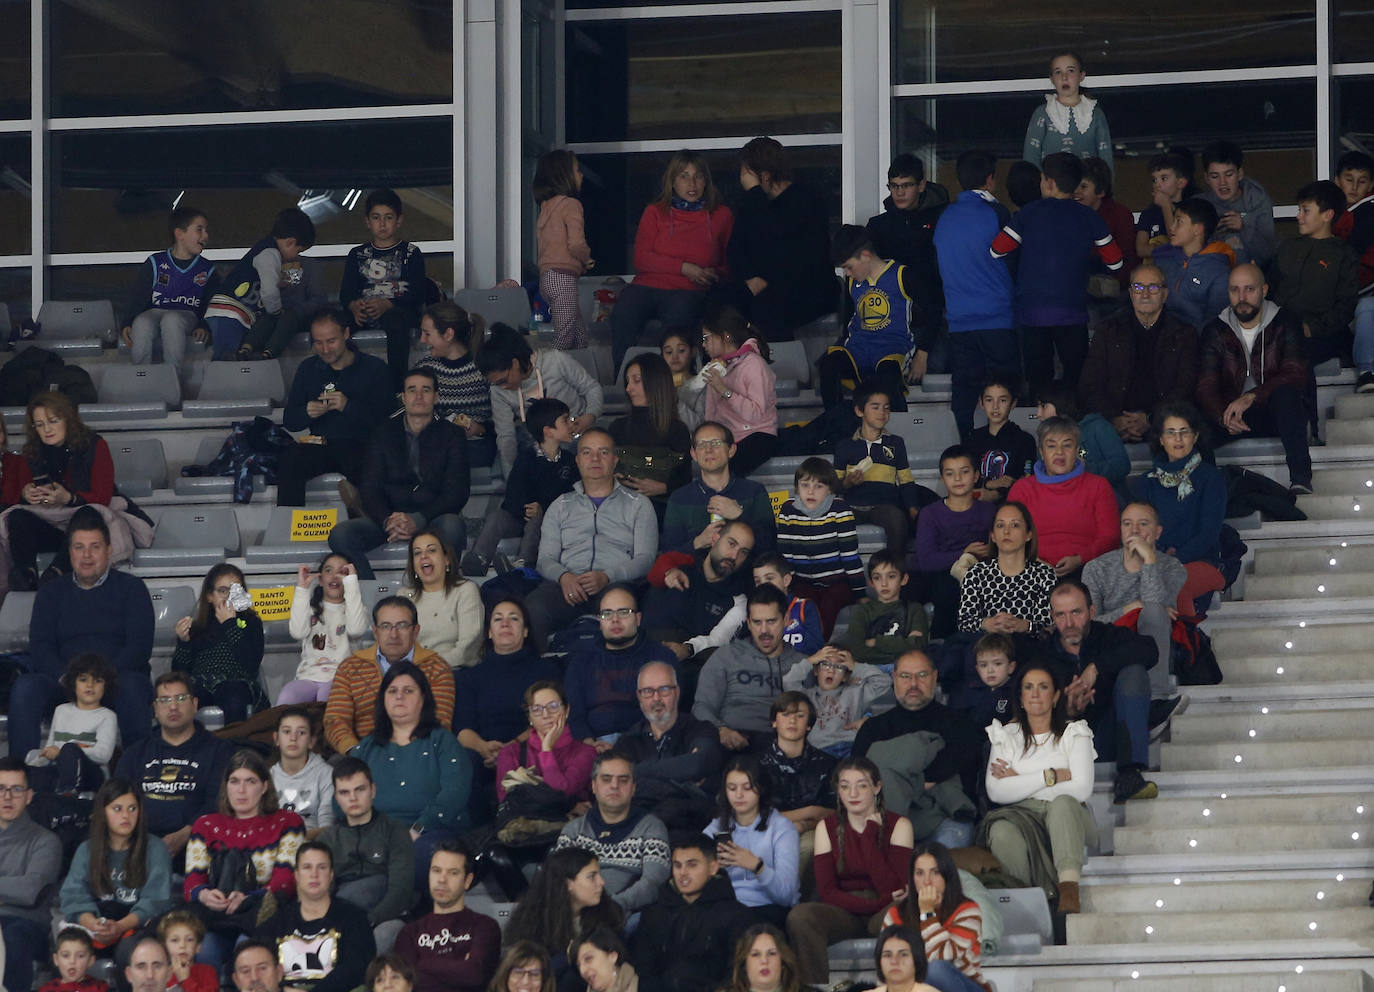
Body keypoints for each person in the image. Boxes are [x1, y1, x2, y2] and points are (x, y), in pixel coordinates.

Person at [13, 509, 154, 760]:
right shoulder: (50, 594)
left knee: (134, 687)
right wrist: (69, 679)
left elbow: (139, 647)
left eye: (95, 547)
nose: (86, 556)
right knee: (26, 687)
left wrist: (100, 679)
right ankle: (19, 779)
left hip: (116, 680)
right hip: (65, 682)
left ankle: (136, 775)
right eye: (79, 547)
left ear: (109, 550)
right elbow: (41, 646)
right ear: (70, 552)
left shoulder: (132, 589)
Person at [990, 152, 1124, 391]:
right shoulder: (1089, 216)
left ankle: (1040, 422)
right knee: (1077, 380)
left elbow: (996, 251)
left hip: (1032, 314)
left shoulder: (1028, 214)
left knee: (1038, 381)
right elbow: (1115, 263)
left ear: (1049, 182)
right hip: (1073, 313)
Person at [329, 368, 470, 581]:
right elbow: (370, 486)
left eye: (426, 390)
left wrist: (418, 519)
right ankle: (370, 591)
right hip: (390, 518)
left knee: (453, 526)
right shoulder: (383, 432)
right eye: (412, 390)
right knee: (341, 535)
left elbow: (457, 493)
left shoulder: (453, 435)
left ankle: (443, 592)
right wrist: (388, 520)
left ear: (436, 396)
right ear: (403, 397)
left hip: (433, 517)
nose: (419, 396)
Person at [785, 757, 914, 987]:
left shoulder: (900, 825)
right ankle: (815, 989)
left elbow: (893, 888)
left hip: (885, 907)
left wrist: (868, 838)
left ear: (877, 787)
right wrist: (873, 904)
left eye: (862, 785)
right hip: (844, 909)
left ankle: (896, 988)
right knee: (800, 916)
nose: (852, 793)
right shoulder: (828, 827)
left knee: (900, 912)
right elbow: (827, 891)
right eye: (845, 786)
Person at [978, 664, 1096, 914]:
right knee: (1001, 829)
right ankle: (1025, 903)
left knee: (1063, 803)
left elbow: (1081, 789)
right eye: (1028, 688)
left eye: (1043, 687)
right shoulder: (1006, 735)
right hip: (1022, 817)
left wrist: (1019, 779)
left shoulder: (1075, 733)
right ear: (1020, 697)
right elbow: (997, 792)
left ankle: (1068, 889)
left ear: (1055, 696)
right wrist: (1051, 776)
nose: (1035, 694)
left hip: (1072, 818)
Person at [526, 430, 659, 648]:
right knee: (534, 607)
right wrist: (564, 577)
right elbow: (545, 559)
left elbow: (645, 559)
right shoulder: (560, 505)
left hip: (616, 583)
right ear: (578, 461)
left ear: (615, 460)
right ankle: (539, 676)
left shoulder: (638, 504)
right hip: (566, 585)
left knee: (624, 606)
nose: (595, 459)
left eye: (603, 452)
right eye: (587, 453)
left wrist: (607, 576)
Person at [1033, 581, 1157, 804]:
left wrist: (1096, 668)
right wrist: (1067, 710)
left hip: (1108, 735)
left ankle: (1130, 774)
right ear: (1051, 616)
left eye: (1076, 612)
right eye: (1060, 615)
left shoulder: (1108, 636)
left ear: (1092, 611)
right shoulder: (1042, 655)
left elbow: (1149, 650)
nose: (1069, 623)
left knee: (1134, 672)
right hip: (1064, 748)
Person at [1195, 263, 1313, 494]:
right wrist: (1222, 416)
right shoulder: (1215, 329)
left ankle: (1300, 478)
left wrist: (1252, 396)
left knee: (1286, 395)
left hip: (1275, 413)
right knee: (1191, 422)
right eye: (1234, 290)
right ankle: (1212, 493)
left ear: (1264, 290)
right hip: (1232, 416)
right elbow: (1205, 384)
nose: (1241, 297)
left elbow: (1294, 372)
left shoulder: (1285, 321)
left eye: (1249, 289)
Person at [610, 150, 734, 367]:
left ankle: (673, 382)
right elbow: (642, 258)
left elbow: (730, 263)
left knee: (679, 318)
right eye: (683, 176)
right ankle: (627, 379)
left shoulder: (721, 215)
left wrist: (714, 273)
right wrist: (684, 267)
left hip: (688, 290)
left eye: (698, 176)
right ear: (672, 182)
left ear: (706, 181)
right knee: (623, 313)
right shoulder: (655, 212)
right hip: (647, 286)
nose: (691, 183)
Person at [183, 750, 306, 966]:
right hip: (217, 917)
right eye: (234, 781)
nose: (241, 790)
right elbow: (192, 882)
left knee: (247, 949)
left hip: (264, 914)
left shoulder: (288, 823)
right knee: (205, 950)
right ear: (225, 785)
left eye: (250, 781)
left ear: (265, 786)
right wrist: (204, 895)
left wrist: (250, 898)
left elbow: (286, 882)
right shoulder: (205, 825)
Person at [354, 663, 472, 878]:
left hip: (429, 835)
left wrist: (418, 829)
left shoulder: (442, 741)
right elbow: (341, 793)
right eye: (392, 691)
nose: (399, 696)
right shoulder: (367, 747)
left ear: (423, 699)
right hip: (374, 834)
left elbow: (455, 794)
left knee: (416, 856)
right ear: (383, 699)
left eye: (408, 691)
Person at [850, 653, 980, 848]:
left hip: (944, 818)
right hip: (885, 818)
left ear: (934, 677)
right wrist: (923, 779)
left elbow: (957, 769)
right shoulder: (873, 729)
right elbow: (859, 777)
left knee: (950, 845)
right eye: (905, 676)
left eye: (921, 675)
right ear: (894, 678)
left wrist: (895, 773)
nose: (913, 683)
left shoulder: (960, 724)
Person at [933, 150, 1019, 439]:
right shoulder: (997, 213)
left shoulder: (945, 217)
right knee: (1007, 392)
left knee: (965, 393)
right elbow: (1013, 258)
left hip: (959, 322)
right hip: (997, 318)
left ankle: (967, 451)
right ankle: (1006, 453)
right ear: (991, 180)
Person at [2, 393, 126, 591]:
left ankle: (57, 572)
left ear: (67, 419)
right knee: (17, 516)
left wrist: (69, 498)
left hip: (85, 527)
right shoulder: (32, 451)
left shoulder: (94, 444)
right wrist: (27, 494)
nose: (47, 429)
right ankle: (25, 573)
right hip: (52, 523)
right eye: (40, 425)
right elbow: (22, 494)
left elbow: (103, 496)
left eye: (52, 421)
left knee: (88, 513)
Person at [278, 308, 396, 507]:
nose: (325, 349)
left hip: (362, 444)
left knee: (371, 467)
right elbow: (290, 420)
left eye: (331, 341)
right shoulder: (308, 368)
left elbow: (387, 421)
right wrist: (306, 412)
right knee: (291, 460)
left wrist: (348, 406)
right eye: (318, 343)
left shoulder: (374, 368)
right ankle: (290, 524)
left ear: (346, 334)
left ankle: (370, 522)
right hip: (322, 444)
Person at [723, 136, 838, 340]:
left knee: (767, 308)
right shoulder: (751, 203)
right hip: (758, 283)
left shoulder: (806, 200)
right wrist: (750, 277)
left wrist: (756, 195)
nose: (742, 179)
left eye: (746, 172)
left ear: (765, 176)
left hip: (805, 287)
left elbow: (783, 248)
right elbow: (735, 248)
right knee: (717, 303)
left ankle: (775, 368)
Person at [1082, 503, 1189, 717]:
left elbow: (1155, 607)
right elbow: (1089, 624)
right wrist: (1130, 608)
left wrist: (1149, 560)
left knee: (1154, 612)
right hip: (1110, 642)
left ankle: (1156, 700)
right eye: (1127, 524)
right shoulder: (1096, 568)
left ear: (1157, 532)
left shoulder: (1172, 567)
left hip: (1152, 642)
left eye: (1143, 524)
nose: (1134, 531)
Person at [115, 672, 233, 858]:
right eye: (164, 700)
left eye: (180, 698)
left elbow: (217, 803)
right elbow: (117, 800)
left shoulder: (219, 751)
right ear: (155, 708)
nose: (173, 706)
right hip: (139, 844)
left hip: (197, 843)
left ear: (194, 705)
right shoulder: (135, 753)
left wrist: (186, 834)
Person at [1078, 263, 1200, 442]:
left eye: (1153, 287)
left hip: (1166, 426)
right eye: (1138, 287)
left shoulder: (1184, 333)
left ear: (1165, 294)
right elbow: (1090, 384)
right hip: (1113, 425)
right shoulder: (1108, 330)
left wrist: (1152, 419)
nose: (1145, 294)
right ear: (1130, 293)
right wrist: (1115, 420)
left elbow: (1186, 386)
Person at [324, 596, 456, 755]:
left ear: (415, 631)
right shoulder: (350, 668)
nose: (394, 634)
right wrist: (357, 752)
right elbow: (335, 720)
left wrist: (407, 755)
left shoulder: (437, 667)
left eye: (402, 625)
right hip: (362, 756)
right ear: (375, 632)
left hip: (419, 756)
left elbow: (439, 722)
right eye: (385, 626)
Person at [60, 778, 173, 963]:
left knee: (131, 951)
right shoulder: (87, 849)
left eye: (132, 808)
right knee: (67, 951)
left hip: (137, 927)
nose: (126, 816)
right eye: (117, 808)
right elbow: (74, 895)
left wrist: (119, 927)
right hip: (95, 924)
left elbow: (156, 901)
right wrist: (93, 924)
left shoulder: (155, 848)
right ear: (103, 812)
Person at [1130, 402, 1229, 612]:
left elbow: (1208, 534)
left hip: (1199, 560)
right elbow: (1138, 531)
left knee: (1173, 586)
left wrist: (1174, 559)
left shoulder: (1209, 478)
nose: (1178, 439)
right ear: (1160, 438)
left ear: (1195, 437)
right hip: (1155, 560)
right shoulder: (1146, 482)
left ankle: (1185, 643)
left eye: (1184, 432)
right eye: (1171, 432)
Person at [462, 398, 577, 576]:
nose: (572, 424)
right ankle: (478, 558)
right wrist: (526, 508)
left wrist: (542, 508)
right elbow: (513, 495)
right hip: (520, 516)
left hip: (551, 520)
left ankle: (523, 565)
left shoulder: (569, 461)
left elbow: (569, 496)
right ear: (548, 431)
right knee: (497, 517)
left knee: (536, 520)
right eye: (565, 420)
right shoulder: (526, 457)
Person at [552, 752, 671, 913]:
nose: (614, 786)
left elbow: (653, 883)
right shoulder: (573, 830)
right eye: (606, 779)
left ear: (634, 787)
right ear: (593, 786)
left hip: (628, 915)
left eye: (623, 780)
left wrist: (611, 908)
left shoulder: (652, 828)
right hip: (576, 914)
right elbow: (556, 880)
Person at [317, 757, 415, 953]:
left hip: (385, 915)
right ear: (336, 797)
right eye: (344, 792)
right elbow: (321, 892)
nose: (352, 798)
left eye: (359, 789)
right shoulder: (327, 839)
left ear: (373, 790)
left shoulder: (395, 831)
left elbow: (401, 891)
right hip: (340, 915)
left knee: (385, 935)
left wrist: (367, 921)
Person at [630, 835, 751, 992]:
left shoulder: (737, 916)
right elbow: (644, 970)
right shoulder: (654, 914)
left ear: (713, 868)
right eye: (677, 865)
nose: (683, 873)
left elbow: (735, 975)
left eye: (692, 865)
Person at [822, 226, 924, 412]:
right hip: (858, 347)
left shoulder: (902, 275)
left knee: (887, 378)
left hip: (892, 347)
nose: (847, 274)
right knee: (828, 367)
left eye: (848, 267)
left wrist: (923, 354)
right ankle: (835, 425)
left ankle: (896, 433)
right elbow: (848, 320)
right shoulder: (852, 283)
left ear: (866, 256)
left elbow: (932, 312)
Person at [452, 599, 558, 778]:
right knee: (462, 763)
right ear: (489, 633)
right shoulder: (470, 677)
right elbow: (463, 730)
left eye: (514, 618)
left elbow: (550, 722)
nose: (505, 623)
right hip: (482, 753)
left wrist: (510, 749)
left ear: (525, 631)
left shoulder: (546, 670)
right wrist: (483, 748)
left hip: (529, 748)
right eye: (498, 619)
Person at [693, 584, 804, 752]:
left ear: (786, 619)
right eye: (757, 622)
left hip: (778, 746)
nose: (764, 630)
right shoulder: (726, 656)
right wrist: (721, 731)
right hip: (725, 742)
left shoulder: (801, 664)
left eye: (771, 621)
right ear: (748, 623)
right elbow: (701, 707)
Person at [479, 324, 602, 475]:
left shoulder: (555, 361)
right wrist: (512, 479)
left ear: (515, 363)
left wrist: (590, 416)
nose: (502, 387)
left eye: (503, 380)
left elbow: (592, 388)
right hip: (538, 442)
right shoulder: (498, 391)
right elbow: (506, 438)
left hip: (575, 432)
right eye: (496, 383)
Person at [615, 660, 724, 830]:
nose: (656, 698)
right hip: (639, 830)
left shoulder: (702, 730)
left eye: (664, 689)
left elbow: (697, 765)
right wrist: (684, 784)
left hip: (690, 828)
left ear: (677, 692)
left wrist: (639, 771)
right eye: (648, 692)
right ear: (639, 697)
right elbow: (619, 786)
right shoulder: (627, 741)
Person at [564, 586, 678, 744]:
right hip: (596, 745)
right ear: (600, 621)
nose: (615, 619)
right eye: (607, 613)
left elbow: (670, 711)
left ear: (638, 619)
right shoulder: (581, 661)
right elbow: (575, 715)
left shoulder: (662, 658)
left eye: (624, 612)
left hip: (647, 743)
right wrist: (589, 745)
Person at [255, 842, 375, 992]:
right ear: (296, 875)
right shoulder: (277, 923)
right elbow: (257, 967)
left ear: (331, 875)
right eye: (307, 867)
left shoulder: (354, 918)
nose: (314, 874)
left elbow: (356, 969)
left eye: (322, 867)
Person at [1007, 417, 1119, 576]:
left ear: (1076, 450)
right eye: (1051, 446)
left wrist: (1080, 559)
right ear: (1041, 451)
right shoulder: (1023, 489)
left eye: (1067, 445)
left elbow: (1110, 537)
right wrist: (1034, 562)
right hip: (1032, 570)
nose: (1059, 452)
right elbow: (1010, 535)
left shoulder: (1098, 486)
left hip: (1088, 569)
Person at [202, 207, 315, 359]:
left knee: (231, 353)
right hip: (230, 311)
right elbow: (269, 291)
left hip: (233, 312)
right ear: (290, 242)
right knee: (225, 357)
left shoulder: (266, 250)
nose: (296, 256)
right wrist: (276, 312)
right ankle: (222, 381)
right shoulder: (269, 253)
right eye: (298, 251)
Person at [341, 189, 426, 388]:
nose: (382, 224)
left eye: (388, 218)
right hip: (365, 311)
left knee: (397, 322)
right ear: (367, 221)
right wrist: (354, 306)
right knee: (336, 325)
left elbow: (418, 292)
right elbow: (346, 292)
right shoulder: (357, 254)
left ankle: (397, 386)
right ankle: (344, 382)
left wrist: (388, 303)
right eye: (376, 217)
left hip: (399, 311)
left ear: (399, 220)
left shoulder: (411, 253)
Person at [505, 848, 624, 989]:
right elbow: (526, 972)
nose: (601, 882)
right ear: (568, 884)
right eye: (592, 876)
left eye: (599, 875)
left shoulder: (609, 913)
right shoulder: (531, 919)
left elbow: (616, 963)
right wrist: (566, 957)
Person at [1273, 180, 1359, 373]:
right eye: (1299, 210)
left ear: (1327, 215)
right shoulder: (1287, 248)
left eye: (1306, 210)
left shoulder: (1344, 254)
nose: (1299, 216)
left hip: (1323, 335)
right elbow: (1269, 288)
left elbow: (1346, 305)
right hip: (1281, 329)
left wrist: (1313, 328)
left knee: (1296, 357)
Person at [911, 445, 997, 639]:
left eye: (964, 472)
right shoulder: (930, 514)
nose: (957, 479)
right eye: (950, 474)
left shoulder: (988, 511)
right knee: (947, 587)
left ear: (976, 476)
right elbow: (926, 561)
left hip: (979, 573)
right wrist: (963, 553)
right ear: (942, 478)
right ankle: (944, 644)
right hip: (942, 578)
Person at [705, 754, 801, 926]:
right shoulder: (716, 827)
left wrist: (757, 866)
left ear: (761, 788)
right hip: (724, 908)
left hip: (767, 909)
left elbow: (786, 895)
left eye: (747, 788)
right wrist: (712, 868)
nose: (739, 795)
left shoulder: (782, 828)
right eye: (732, 788)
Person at [119, 205, 218, 372]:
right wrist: (128, 321)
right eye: (199, 230)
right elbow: (138, 296)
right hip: (155, 312)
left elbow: (212, 303)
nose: (206, 236)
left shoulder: (207, 269)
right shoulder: (155, 262)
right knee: (142, 322)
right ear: (180, 234)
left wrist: (204, 325)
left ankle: (172, 376)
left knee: (171, 319)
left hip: (186, 315)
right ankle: (140, 377)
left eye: (206, 230)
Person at [392, 839, 499, 992]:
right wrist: (460, 966)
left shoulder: (485, 927)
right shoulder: (409, 933)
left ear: (467, 881)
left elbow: (474, 975)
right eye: (436, 870)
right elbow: (407, 983)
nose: (442, 879)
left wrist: (423, 964)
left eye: (453, 873)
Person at [642, 520, 753, 665]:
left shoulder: (739, 600)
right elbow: (656, 572)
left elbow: (718, 639)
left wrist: (687, 649)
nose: (734, 556)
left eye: (743, 552)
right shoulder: (684, 562)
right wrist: (669, 572)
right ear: (715, 539)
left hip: (690, 664)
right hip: (645, 649)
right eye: (731, 544)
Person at [833, 382, 926, 557]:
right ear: (859, 411)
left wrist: (913, 508)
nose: (882, 413)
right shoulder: (845, 446)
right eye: (875, 407)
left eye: (886, 408)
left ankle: (894, 570)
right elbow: (834, 485)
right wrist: (847, 482)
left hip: (883, 505)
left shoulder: (896, 443)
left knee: (897, 520)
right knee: (832, 522)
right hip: (852, 505)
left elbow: (906, 481)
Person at [775, 458, 865, 636]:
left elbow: (850, 556)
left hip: (836, 582)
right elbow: (786, 556)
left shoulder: (840, 509)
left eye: (819, 486)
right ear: (796, 487)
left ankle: (818, 649)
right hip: (802, 582)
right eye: (805, 485)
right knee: (803, 607)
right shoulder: (788, 510)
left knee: (828, 606)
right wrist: (787, 587)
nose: (810, 491)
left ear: (830, 490)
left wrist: (860, 593)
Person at [660, 420, 776, 555]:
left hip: (745, 574)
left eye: (715, 443)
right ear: (693, 454)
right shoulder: (680, 498)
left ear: (731, 450)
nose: (708, 450)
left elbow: (770, 546)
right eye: (702, 445)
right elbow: (668, 557)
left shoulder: (755, 491)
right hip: (696, 575)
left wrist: (739, 516)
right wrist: (698, 542)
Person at [882, 846, 990, 992]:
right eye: (919, 873)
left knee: (936, 969)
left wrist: (927, 913)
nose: (927, 882)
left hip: (964, 986)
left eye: (935, 873)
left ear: (947, 877)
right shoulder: (896, 915)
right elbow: (887, 966)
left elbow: (943, 959)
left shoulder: (967, 910)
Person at [865, 153, 951, 335]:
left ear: (921, 185)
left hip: (937, 312)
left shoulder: (943, 219)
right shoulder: (878, 226)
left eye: (906, 185)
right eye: (894, 186)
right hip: (891, 314)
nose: (899, 192)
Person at [171, 562, 267, 724]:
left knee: (233, 695)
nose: (229, 597)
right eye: (223, 591)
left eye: (236, 591)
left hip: (236, 684)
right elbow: (180, 673)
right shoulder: (197, 626)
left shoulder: (252, 623)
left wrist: (230, 624)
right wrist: (184, 642)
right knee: (183, 699)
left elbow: (251, 664)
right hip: (200, 683)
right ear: (209, 596)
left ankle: (236, 747)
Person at [0, 757, 62, 992]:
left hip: (24, 925)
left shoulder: (46, 842)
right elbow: (19, 888)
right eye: (1, 789)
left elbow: (29, 892)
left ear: (29, 796)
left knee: (13, 939)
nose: (7, 797)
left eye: (16, 789)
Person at [956, 501, 1056, 643]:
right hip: (985, 646)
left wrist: (1024, 626)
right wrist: (987, 624)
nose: (1006, 531)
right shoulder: (975, 573)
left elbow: (1050, 626)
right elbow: (964, 624)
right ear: (993, 536)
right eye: (1000, 525)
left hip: (1031, 648)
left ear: (1028, 534)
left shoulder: (1045, 575)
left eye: (1015, 525)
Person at [280, 553, 370, 705]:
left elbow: (356, 630)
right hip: (308, 677)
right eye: (328, 570)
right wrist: (302, 588)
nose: (335, 576)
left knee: (327, 695)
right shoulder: (309, 609)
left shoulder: (356, 610)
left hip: (341, 677)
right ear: (320, 580)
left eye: (342, 572)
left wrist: (352, 583)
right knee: (288, 696)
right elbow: (297, 632)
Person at [699, 305, 779, 475]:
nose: (704, 345)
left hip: (757, 435)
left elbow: (756, 414)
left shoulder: (754, 364)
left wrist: (724, 390)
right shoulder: (716, 366)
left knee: (727, 471)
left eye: (707, 338)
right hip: (728, 438)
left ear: (726, 336)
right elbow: (711, 413)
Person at [610, 353, 692, 516]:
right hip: (620, 508)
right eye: (627, 381)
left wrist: (663, 487)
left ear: (655, 382)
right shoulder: (617, 427)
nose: (628, 388)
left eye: (636, 381)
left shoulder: (677, 430)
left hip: (663, 508)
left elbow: (684, 478)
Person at [25, 653, 118, 794]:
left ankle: (68, 797)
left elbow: (103, 755)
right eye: (83, 679)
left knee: (70, 750)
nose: (90, 685)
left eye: (97, 680)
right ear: (73, 684)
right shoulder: (61, 711)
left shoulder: (107, 716)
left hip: (92, 774)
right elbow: (51, 746)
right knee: (30, 771)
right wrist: (41, 758)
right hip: (59, 770)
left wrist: (64, 753)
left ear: (106, 685)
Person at [416, 301, 495, 464]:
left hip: (476, 446)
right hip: (435, 445)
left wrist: (480, 429)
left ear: (448, 334)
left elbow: (507, 418)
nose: (422, 340)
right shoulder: (425, 368)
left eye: (427, 334)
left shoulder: (484, 367)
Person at [494, 681, 596, 805]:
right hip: (524, 823)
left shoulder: (585, 751)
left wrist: (546, 750)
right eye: (536, 709)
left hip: (571, 823)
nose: (546, 715)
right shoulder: (510, 753)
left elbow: (562, 791)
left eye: (553, 706)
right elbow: (508, 802)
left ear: (567, 710)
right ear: (529, 717)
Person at [534, 149, 593, 349]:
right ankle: (546, 373)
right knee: (565, 338)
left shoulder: (546, 206)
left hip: (547, 278)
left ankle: (576, 373)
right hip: (563, 278)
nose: (581, 175)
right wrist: (586, 259)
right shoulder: (571, 205)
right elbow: (576, 244)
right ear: (563, 175)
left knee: (579, 336)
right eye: (577, 170)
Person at [756, 693, 837, 837]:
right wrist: (809, 811)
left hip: (813, 834)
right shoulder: (757, 763)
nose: (792, 720)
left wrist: (804, 825)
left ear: (809, 726)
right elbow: (752, 817)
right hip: (764, 834)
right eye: (786, 714)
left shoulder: (828, 764)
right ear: (774, 722)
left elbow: (835, 813)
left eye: (800, 716)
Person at [783, 647, 887, 758]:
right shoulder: (807, 696)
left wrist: (855, 667)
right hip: (819, 750)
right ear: (816, 671)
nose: (831, 670)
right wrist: (810, 661)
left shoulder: (855, 692)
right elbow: (789, 681)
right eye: (825, 665)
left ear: (845, 676)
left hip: (851, 746)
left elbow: (883, 682)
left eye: (838, 667)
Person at [399, 530, 483, 668]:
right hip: (412, 676)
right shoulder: (403, 596)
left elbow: (469, 648)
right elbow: (397, 646)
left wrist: (429, 666)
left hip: (455, 673)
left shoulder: (465, 590)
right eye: (417, 553)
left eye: (431, 550)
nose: (424, 556)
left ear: (446, 559)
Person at [1022, 51, 1113, 170]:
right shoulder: (1042, 113)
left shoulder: (1095, 114)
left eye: (1070, 71)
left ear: (1081, 76)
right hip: (1052, 186)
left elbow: (1105, 157)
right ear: (1052, 79)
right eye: (1058, 72)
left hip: (1086, 185)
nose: (1064, 77)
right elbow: (1031, 155)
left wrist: (1106, 187)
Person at [1153, 197, 1233, 330]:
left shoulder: (1219, 271)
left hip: (1197, 341)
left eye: (1179, 221)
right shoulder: (1162, 260)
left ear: (1198, 229)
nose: (1172, 227)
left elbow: (1215, 322)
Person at [1033, 383, 1130, 487]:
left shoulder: (1097, 427)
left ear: (1060, 403)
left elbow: (1121, 465)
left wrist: (1084, 467)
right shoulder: (1045, 435)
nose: (1038, 413)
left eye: (1043, 406)